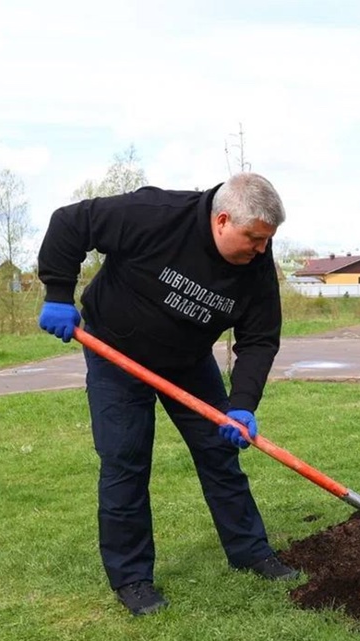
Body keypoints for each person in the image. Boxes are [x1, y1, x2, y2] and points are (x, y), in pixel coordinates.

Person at [36, 172, 300, 617]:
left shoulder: (256, 263)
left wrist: (241, 405)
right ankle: (132, 579)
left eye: (266, 240)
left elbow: (259, 338)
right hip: (116, 353)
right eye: (254, 238)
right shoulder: (155, 215)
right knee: (125, 459)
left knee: (219, 454)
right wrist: (58, 292)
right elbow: (71, 222)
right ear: (222, 221)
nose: (261, 249)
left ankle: (251, 551)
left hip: (187, 361)